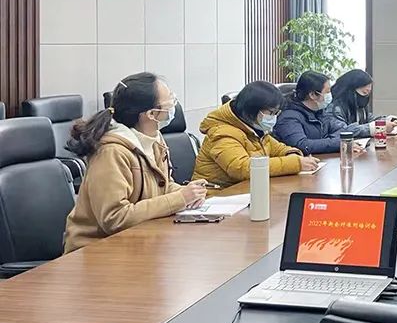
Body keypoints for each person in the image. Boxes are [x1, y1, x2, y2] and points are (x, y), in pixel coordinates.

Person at [63, 73, 208, 253]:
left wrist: (188, 193)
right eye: (170, 102)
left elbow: (162, 186)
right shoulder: (111, 152)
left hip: (139, 242)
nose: (174, 106)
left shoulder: (154, 139)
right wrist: (179, 199)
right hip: (97, 251)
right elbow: (114, 218)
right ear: (151, 114)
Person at [192, 81, 318, 187]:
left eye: (276, 113)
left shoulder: (254, 129)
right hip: (217, 196)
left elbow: (278, 148)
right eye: (271, 113)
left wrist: (293, 155)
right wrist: (295, 163)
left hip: (246, 191)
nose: (273, 117)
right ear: (252, 109)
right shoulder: (222, 133)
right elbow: (242, 168)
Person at [273, 71, 367, 155]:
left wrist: (329, 142)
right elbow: (302, 145)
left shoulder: (319, 111)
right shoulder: (288, 118)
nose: (330, 95)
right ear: (312, 95)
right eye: (327, 92)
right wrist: (336, 143)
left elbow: (341, 130)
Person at [327, 69, 397, 138]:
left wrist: (389, 120)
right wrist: (373, 128)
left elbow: (370, 119)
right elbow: (341, 131)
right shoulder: (335, 109)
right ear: (350, 91)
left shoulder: (359, 107)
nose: (366, 96)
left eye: (368, 93)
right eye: (364, 92)